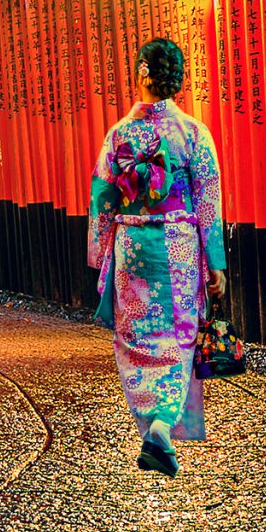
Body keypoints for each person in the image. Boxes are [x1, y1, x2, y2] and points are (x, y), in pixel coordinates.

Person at [87, 36, 229, 477]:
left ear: (141, 74)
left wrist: (100, 253)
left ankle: (153, 424)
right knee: (180, 336)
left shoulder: (119, 134)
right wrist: (217, 261)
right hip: (180, 246)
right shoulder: (193, 133)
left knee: (136, 340)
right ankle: (164, 426)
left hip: (133, 247)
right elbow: (208, 199)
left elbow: (103, 198)